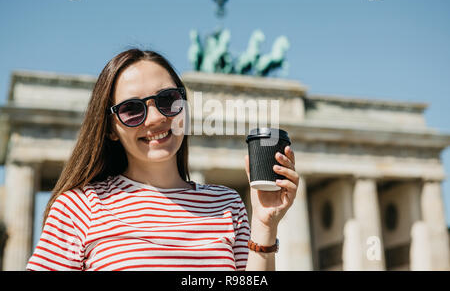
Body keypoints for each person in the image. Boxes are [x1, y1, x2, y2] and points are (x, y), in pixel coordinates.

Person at [26, 49, 299, 271]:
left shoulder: (226, 204)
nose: (156, 118)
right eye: (131, 109)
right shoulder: (78, 207)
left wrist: (264, 224)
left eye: (168, 99)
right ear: (109, 128)